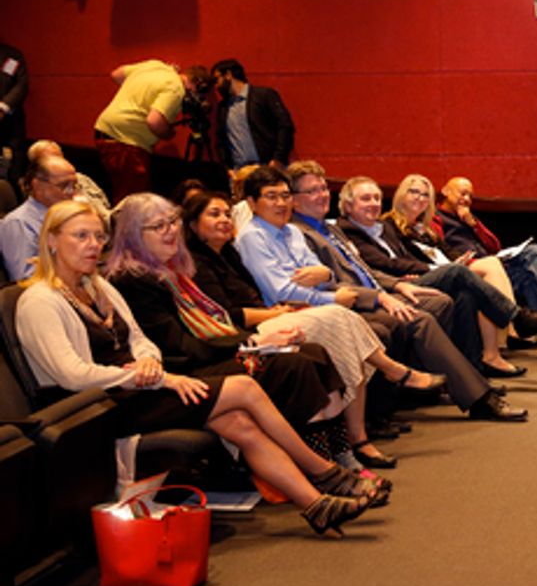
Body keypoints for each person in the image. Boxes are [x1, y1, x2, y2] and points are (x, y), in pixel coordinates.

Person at [16, 200, 381, 536]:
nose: (93, 245)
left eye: (98, 236)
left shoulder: (97, 288)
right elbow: (73, 375)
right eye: (81, 236)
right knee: (244, 387)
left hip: (141, 387)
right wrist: (158, 375)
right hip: (100, 407)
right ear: (50, 240)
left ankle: (316, 505)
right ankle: (325, 472)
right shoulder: (40, 300)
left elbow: (142, 341)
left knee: (238, 422)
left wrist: (148, 361)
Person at [233, 165, 528, 422]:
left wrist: (389, 285)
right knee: (426, 310)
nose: (322, 195)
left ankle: (466, 381)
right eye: (310, 192)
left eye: (323, 188)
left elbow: (329, 273)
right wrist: (369, 295)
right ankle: (480, 390)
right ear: (253, 202)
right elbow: (288, 289)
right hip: (324, 307)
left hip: (365, 292)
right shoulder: (278, 233)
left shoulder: (306, 231)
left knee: (457, 296)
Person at [184, 189, 444, 468]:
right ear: (193, 224)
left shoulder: (228, 254)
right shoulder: (201, 260)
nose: (224, 219)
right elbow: (229, 315)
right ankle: (388, 383)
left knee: (345, 329)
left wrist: (324, 275)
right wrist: (276, 311)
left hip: (278, 313)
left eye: (226, 213)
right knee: (340, 317)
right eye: (214, 214)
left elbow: (320, 273)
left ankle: (356, 439)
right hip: (254, 329)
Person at [339, 174, 537, 375]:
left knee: (527, 257)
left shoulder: (419, 228)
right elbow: (390, 262)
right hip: (411, 281)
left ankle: (496, 353)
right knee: (483, 268)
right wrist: (429, 271)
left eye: (425, 194)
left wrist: (470, 232)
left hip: (443, 271)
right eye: (414, 192)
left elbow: (481, 247)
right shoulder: (388, 224)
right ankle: (516, 323)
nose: (420, 198)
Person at [434, 175, 537, 362]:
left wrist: (474, 225)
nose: (467, 200)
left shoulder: (468, 218)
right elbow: (440, 254)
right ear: (446, 191)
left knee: (533, 255)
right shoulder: (435, 219)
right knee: (526, 275)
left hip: (494, 268)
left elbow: (494, 246)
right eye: (463, 193)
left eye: (470, 196)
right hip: (472, 273)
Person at [93, 60, 202, 200]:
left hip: (104, 131)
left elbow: (116, 74)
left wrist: (139, 94)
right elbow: (154, 122)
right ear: (195, 83)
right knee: (133, 199)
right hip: (127, 143)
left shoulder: (156, 66)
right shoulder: (176, 88)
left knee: (122, 193)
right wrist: (169, 133)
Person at [0, 155, 78, 280]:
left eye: (74, 185)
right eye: (63, 186)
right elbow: (25, 277)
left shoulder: (69, 216)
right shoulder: (19, 223)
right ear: (37, 186)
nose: (71, 192)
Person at [211, 58, 295, 168]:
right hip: (239, 172)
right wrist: (227, 168)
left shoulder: (264, 96)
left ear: (228, 74)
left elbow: (285, 126)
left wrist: (278, 159)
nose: (216, 86)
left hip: (268, 167)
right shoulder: (223, 107)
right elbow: (221, 140)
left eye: (216, 80)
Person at [25, 140, 112, 217]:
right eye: (49, 160)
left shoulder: (82, 178)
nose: (71, 191)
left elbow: (106, 204)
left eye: (58, 157)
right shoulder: (39, 187)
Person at [1, 41, 28, 183]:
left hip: (10, 126)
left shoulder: (10, 56)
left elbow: (21, 85)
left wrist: (3, 107)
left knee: (13, 174)